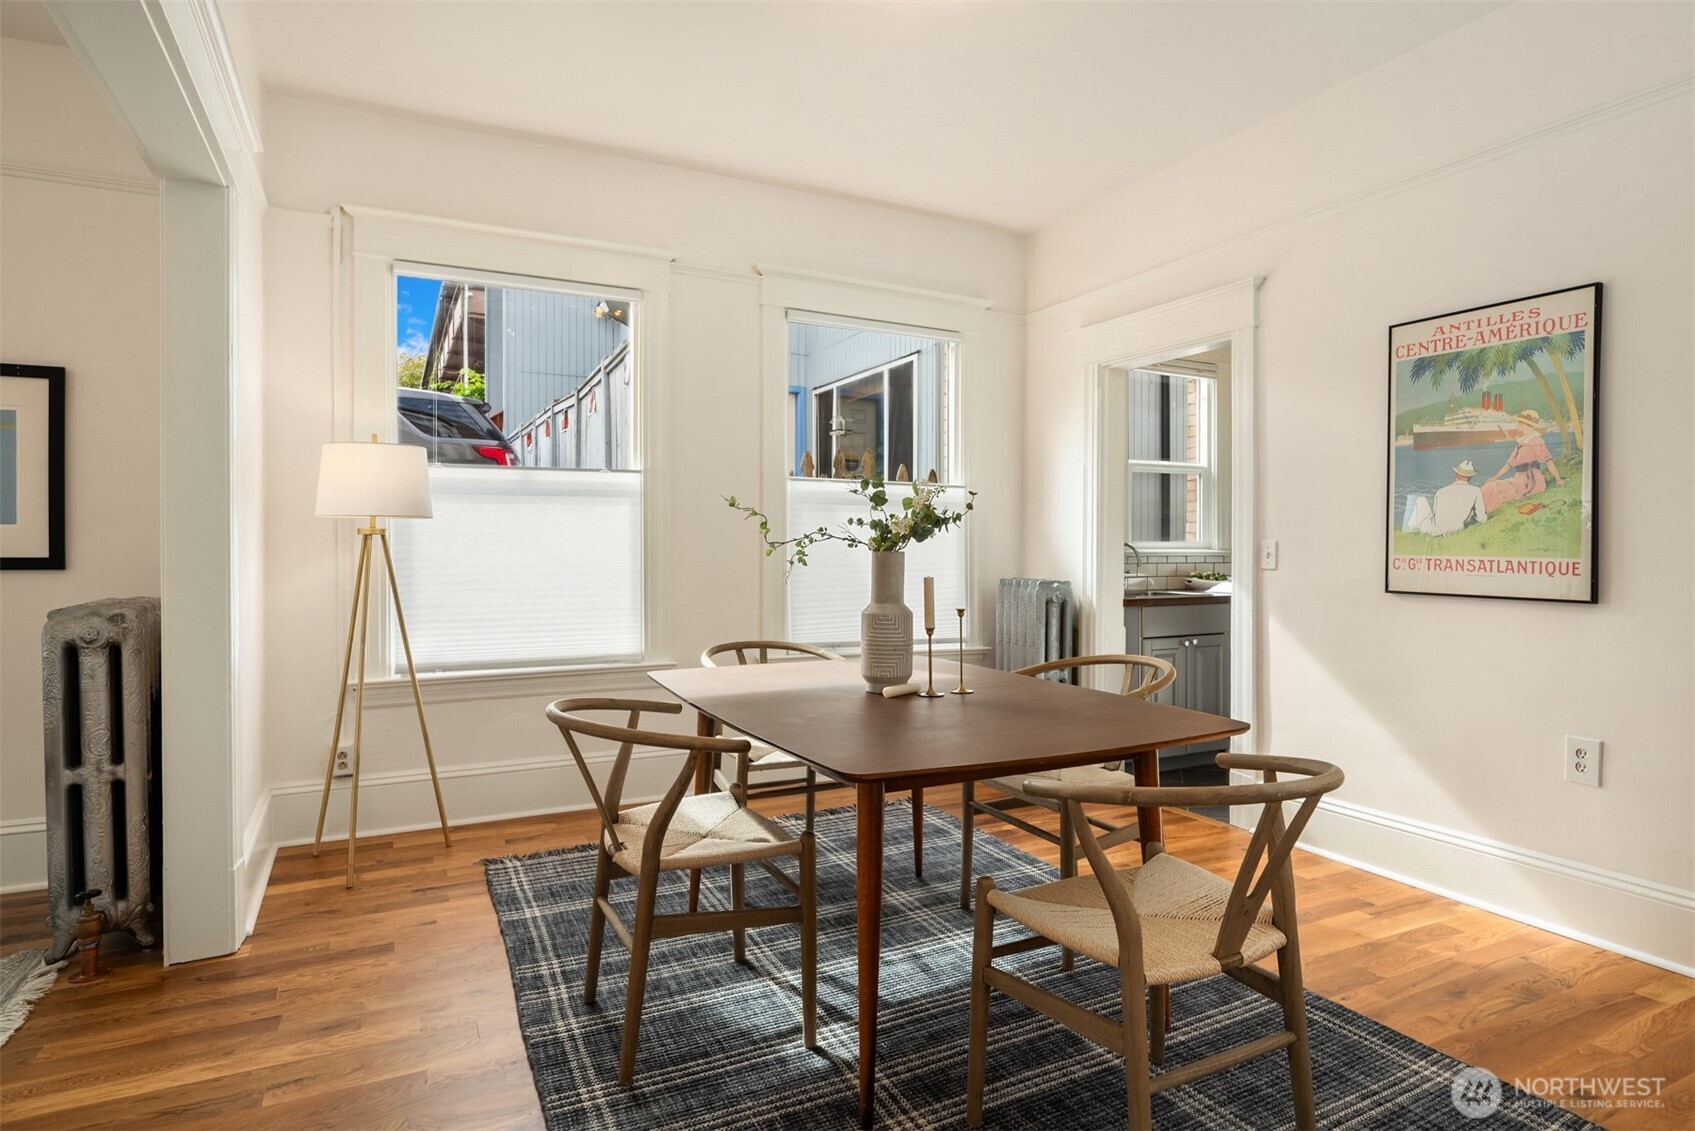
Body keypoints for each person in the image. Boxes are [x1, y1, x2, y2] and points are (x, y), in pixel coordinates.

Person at [1482, 409, 1565, 512]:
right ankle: (1480, 512)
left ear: (1525, 424)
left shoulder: (1536, 440)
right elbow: (1508, 465)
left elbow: (1548, 461)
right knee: (1490, 485)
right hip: (1519, 479)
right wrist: (1494, 477)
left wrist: (1558, 479)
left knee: (1496, 489)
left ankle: (1483, 512)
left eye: (1519, 422)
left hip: (1532, 481)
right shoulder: (1520, 442)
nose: (1517, 424)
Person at [1402, 459, 1489, 536]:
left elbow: (1436, 514)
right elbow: (1482, 518)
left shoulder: (1441, 491)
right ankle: (1412, 530)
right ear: (1471, 477)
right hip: (1456, 530)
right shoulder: (1475, 491)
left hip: (1434, 531)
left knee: (1420, 500)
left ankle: (1409, 530)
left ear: (1456, 474)